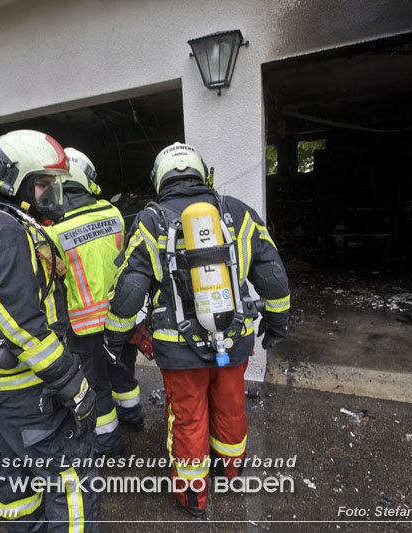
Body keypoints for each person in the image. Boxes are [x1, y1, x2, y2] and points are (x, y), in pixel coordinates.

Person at [103, 143, 291, 517]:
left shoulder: (151, 221)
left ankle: (193, 497)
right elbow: (272, 273)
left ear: (160, 179)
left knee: (188, 419)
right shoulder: (238, 212)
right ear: (203, 174)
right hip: (233, 340)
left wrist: (115, 335)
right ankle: (231, 472)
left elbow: (130, 289)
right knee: (231, 406)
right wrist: (277, 322)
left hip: (179, 349)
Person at [0, 130, 99, 530]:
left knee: (13, 463)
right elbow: (22, 324)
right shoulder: (1, 230)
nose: (50, 193)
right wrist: (72, 383)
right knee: (70, 476)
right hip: (22, 381)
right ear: (11, 178)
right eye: (42, 183)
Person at [46, 147, 126, 457]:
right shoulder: (112, 213)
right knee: (122, 372)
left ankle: (108, 444)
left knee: (97, 385)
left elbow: (52, 282)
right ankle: (133, 413)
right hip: (120, 317)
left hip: (83, 326)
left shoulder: (53, 231)